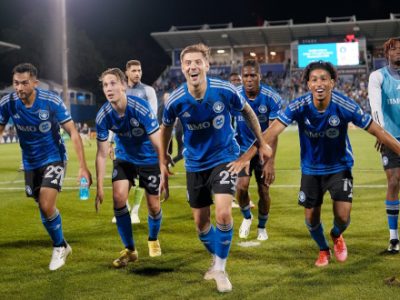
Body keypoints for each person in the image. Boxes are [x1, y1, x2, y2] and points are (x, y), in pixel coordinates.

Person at [229, 61, 400, 267]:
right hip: (311, 170)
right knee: (311, 220)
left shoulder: (344, 105)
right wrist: (244, 158)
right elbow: (269, 134)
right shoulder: (298, 106)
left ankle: (336, 235)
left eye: (324, 79)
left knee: (343, 218)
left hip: (339, 167)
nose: (319, 84)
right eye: (314, 79)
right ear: (308, 84)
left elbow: (379, 132)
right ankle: (323, 249)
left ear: (332, 83)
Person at [160, 43, 271, 292]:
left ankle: (220, 268)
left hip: (224, 157)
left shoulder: (224, 90)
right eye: (187, 62)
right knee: (201, 225)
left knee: (223, 213)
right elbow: (165, 127)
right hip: (194, 163)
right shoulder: (176, 100)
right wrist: (163, 158)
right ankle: (217, 257)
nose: (192, 66)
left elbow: (248, 112)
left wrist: (262, 142)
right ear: (182, 68)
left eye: (197, 61)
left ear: (207, 65)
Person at [0, 63, 92, 271]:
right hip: (30, 163)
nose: (19, 88)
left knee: (46, 203)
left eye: (24, 83)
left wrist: (83, 167)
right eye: (16, 83)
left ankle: (59, 246)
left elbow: (73, 132)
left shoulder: (50, 101)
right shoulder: (8, 103)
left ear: (35, 82)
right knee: (43, 205)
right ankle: (63, 243)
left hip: (54, 158)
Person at [95, 68, 168, 268]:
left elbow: (157, 143)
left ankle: (153, 238)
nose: (109, 88)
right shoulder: (103, 116)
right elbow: (101, 153)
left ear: (123, 86)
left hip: (148, 158)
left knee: (154, 206)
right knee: (118, 199)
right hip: (124, 157)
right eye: (105, 85)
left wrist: (163, 169)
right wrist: (100, 186)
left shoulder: (141, 108)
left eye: (112, 83)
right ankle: (130, 250)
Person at [233, 59, 282, 241]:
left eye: (253, 75)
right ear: (241, 77)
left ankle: (262, 227)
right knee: (242, 187)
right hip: (242, 152)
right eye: (245, 76)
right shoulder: (234, 96)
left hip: (262, 152)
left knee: (264, 191)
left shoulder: (272, 97)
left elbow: (273, 133)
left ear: (259, 76)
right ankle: (247, 218)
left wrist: (270, 162)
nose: (249, 79)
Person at [368, 38, 400, 253]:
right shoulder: (377, 76)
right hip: (391, 138)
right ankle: (394, 239)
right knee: (394, 182)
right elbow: (375, 105)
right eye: (395, 49)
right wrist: (380, 132)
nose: (399, 52)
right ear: (386, 52)